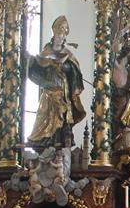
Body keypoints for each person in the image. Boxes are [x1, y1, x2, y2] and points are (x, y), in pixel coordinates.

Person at [27, 16, 86, 148]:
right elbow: (39, 67)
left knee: (64, 114)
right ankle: (45, 141)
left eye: (63, 36)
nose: (61, 38)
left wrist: (66, 66)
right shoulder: (46, 52)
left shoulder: (67, 53)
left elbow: (74, 69)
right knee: (46, 114)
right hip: (50, 90)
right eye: (59, 35)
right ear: (54, 35)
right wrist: (32, 62)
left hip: (64, 90)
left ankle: (60, 141)